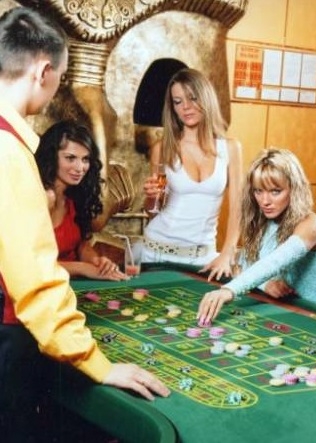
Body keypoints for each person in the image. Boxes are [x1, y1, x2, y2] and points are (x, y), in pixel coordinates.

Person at [0, 8, 169, 441]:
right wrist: (96, 363)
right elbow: (35, 280)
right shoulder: (8, 152)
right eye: (60, 77)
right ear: (43, 71)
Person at [196, 148, 316, 326]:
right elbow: (243, 264)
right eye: (258, 191)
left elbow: (275, 262)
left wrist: (228, 290)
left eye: (275, 191)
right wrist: (265, 284)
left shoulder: (311, 224)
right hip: (280, 312)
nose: (265, 201)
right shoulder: (264, 221)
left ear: (294, 189)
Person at [142, 68, 242, 281]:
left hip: (203, 257)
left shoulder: (230, 148)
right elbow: (153, 211)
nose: (185, 107)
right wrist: (151, 198)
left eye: (192, 98)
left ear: (206, 98)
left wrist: (227, 254)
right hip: (156, 252)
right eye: (177, 102)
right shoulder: (163, 148)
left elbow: (238, 208)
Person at [35, 120, 128, 281]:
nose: (80, 168)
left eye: (85, 159)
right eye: (70, 158)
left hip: (73, 283)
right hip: (44, 286)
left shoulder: (76, 195)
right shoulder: (41, 197)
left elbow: (81, 245)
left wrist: (96, 261)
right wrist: (83, 268)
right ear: (51, 157)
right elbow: (33, 263)